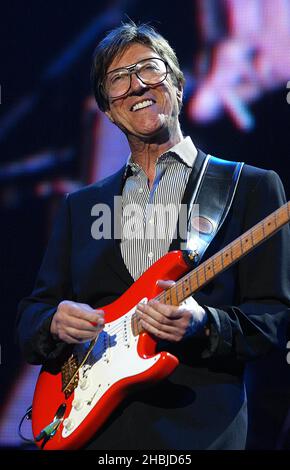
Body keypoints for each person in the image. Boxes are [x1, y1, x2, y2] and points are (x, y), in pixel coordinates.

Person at [17, 21, 290, 450]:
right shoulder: (80, 206)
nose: (137, 86)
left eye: (149, 69)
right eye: (119, 80)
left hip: (199, 433)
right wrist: (54, 320)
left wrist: (205, 324)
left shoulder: (251, 187)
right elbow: (32, 314)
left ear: (177, 83)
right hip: (94, 433)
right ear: (108, 109)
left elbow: (273, 317)